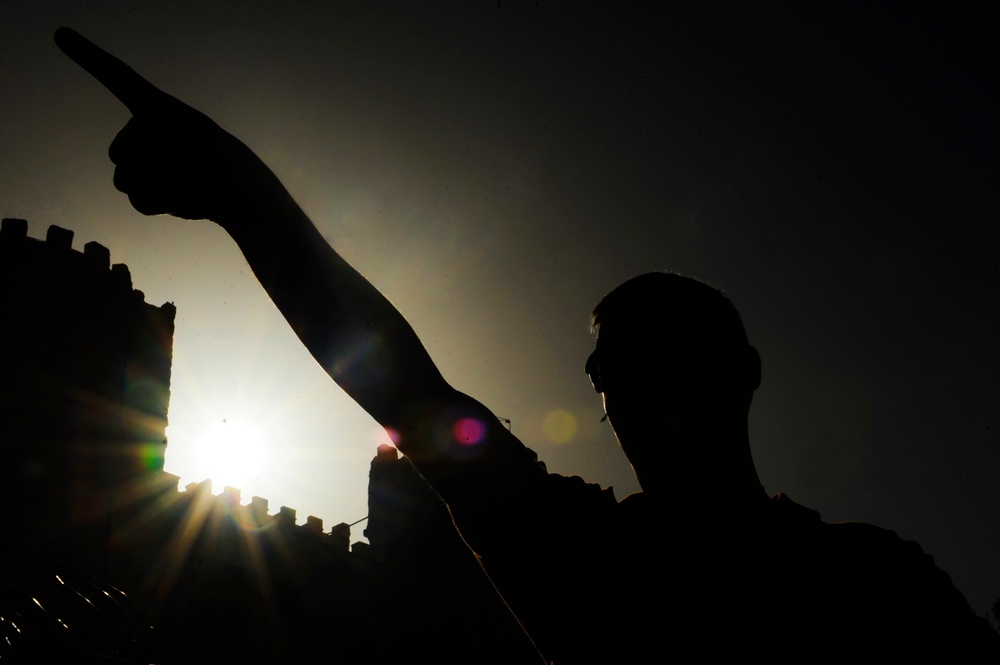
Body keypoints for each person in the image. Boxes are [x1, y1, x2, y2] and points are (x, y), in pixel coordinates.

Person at [55, 28, 999, 661]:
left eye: (657, 347)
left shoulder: (879, 582)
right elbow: (410, 391)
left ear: (741, 371)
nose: (626, 383)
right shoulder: (593, 561)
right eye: (604, 368)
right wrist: (244, 196)